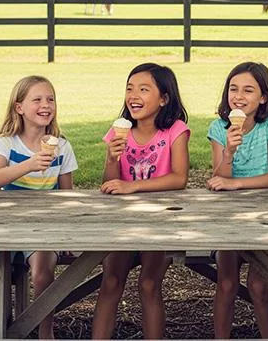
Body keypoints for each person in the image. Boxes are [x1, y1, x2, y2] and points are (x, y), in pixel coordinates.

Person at [91, 63, 190, 340]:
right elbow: (109, 183)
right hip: (123, 223)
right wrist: (112, 158)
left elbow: (179, 178)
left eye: (144, 89)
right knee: (110, 281)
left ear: (164, 98)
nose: (134, 95)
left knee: (148, 284)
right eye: (129, 88)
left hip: (161, 222)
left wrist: (133, 186)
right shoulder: (118, 132)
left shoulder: (175, 131)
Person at [0, 76, 78, 339]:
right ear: (19, 107)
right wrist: (29, 165)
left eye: (51, 99)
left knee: (42, 273)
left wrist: (68, 232)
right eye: (38, 99)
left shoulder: (62, 146)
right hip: (10, 226)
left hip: (46, 227)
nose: (46, 105)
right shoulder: (7, 142)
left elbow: (67, 194)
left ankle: (46, 331)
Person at [206, 61, 268, 339]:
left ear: (263, 97)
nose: (238, 96)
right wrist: (228, 151)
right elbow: (219, 176)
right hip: (229, 218)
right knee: (227, 282)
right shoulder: (219, 128)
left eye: (248, 90)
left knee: (257, 283)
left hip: (266, 217)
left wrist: (236, 184)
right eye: (233, 89)